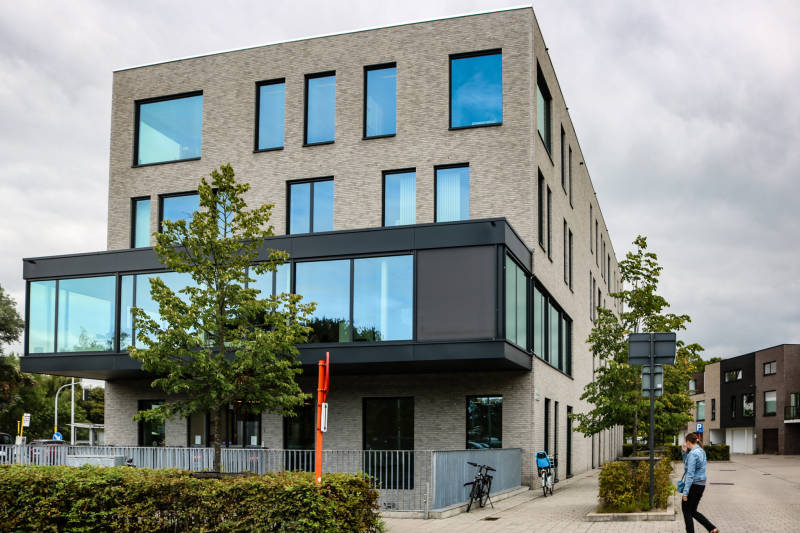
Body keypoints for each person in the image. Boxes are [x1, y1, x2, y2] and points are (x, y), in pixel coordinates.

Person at [681, 432, 719, 533]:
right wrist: (684, 453)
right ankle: (712, 528)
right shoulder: (702, 451)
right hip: (701, 485)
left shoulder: (693, 454)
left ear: (688, 442)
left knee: (686, 510)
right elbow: (688, 465)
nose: (685, 444)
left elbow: (690, 474)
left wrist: (685, 493)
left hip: (694, 485)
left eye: (686, 442)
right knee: (692, 511)